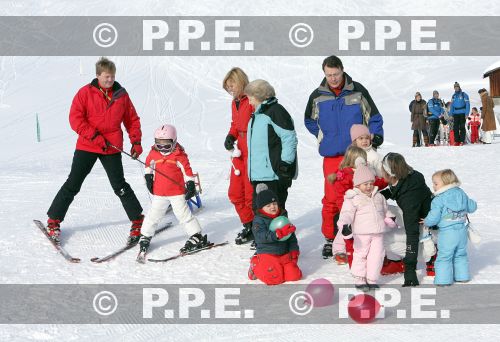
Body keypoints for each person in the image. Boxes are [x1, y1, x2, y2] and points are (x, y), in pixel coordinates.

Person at [46, 57, 144, 245]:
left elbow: (132, 120)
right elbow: (75, 119)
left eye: (112, 76)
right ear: (98, 75)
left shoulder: (121, 95)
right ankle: (54, 221)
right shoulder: (85, 93)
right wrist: (95, 137)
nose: (110, 80)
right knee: (73, 183)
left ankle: (138, 220)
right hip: (88, 145)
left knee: (120, 185)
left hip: (111, 147)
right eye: (107, 76)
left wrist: (136, 142)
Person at [304, 55, 384, 259]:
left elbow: (373, 116)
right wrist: (323, 136)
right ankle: (331, 239)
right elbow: (309, 120)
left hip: (357, 154)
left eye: (336, 74)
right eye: (329, 75)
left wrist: (375, 136)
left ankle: (363, 234)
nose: (333, 78)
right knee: (331, 198)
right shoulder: (317, 96)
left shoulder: (358, 91)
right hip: (331, 156)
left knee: (361, 195)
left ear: (342, 70)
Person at [138, 124, 209, 255]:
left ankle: (196, 235)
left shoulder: (179, 155)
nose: (163, 148)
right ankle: (145, 236)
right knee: (153, 215)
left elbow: (187, 171)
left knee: (183, 215)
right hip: (159, 192)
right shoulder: (154, 153)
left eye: (166, 145)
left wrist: (191, 185)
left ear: (174, 142)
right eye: (159, 145)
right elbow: (148, 164)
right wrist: (148, 178)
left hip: (176, 193)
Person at [337, 165, 397, 290]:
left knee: (377, 256)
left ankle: (372, 279)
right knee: (361, 255)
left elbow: (385, 211)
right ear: (357, 185)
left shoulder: (379, 196)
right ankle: (360, 279)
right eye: (365, 184)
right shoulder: (352, 198)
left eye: (370, 183)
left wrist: (390, 218)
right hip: (361, 234)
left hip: (378, 233)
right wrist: (345, 225)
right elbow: (346, 214)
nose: (369, 186)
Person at [380, 153, 433, 286]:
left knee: (385, 240)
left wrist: (410, 270)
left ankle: (429, 257)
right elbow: (397, 189)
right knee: (386, 208)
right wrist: (377, 196)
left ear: (390, 173)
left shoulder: (410, 200)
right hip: (424, 219)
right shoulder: (412, 176)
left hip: (428, 229)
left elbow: (412, 232)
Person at [245, 79, 298, 209]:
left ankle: (284, 230)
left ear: (259, 96)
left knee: (274, 213)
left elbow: (289, 137)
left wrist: (285, 165)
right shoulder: (258, 115)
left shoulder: (276, 111)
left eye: (250, 97)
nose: (249, 101)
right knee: (260, 213)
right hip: (259, 174)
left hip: (273, 174)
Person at [423, 169, 477, 286]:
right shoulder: (461, 193)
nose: (433, 186)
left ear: (446, 183)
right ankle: (462, 277)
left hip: (447, 233)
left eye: (436, 184)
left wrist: (426, 222)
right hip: (461, 232)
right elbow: (472, 207)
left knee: (444, 257)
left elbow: (434, 217)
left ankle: (443, 280)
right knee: (460, 254)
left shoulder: (439, 199)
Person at [222, 68, 255, 246]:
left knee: (251, 194)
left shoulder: (252, 100)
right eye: (228, 87)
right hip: (239, 151)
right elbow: (235, 124)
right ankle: (249, 225)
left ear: (240, 81)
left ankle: (259, 230)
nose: (230, 89)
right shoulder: (235, 102)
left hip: (251, 148)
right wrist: (231, 135)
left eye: (232, 84)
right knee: (235, 193)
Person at [248, 186, 301, 285]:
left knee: (295, 276)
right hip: (267, 253)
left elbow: (291, 237)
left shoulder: (282, 216)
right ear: (261, 208)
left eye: (274, 203)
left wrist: (294, 250)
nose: (272, 207)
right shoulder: (258, 220)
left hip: (283, 252)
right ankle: (255, 265)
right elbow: (260, 236)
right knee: (274, 279)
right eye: (268, 206)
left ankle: (280, 267)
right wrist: (276, 235)